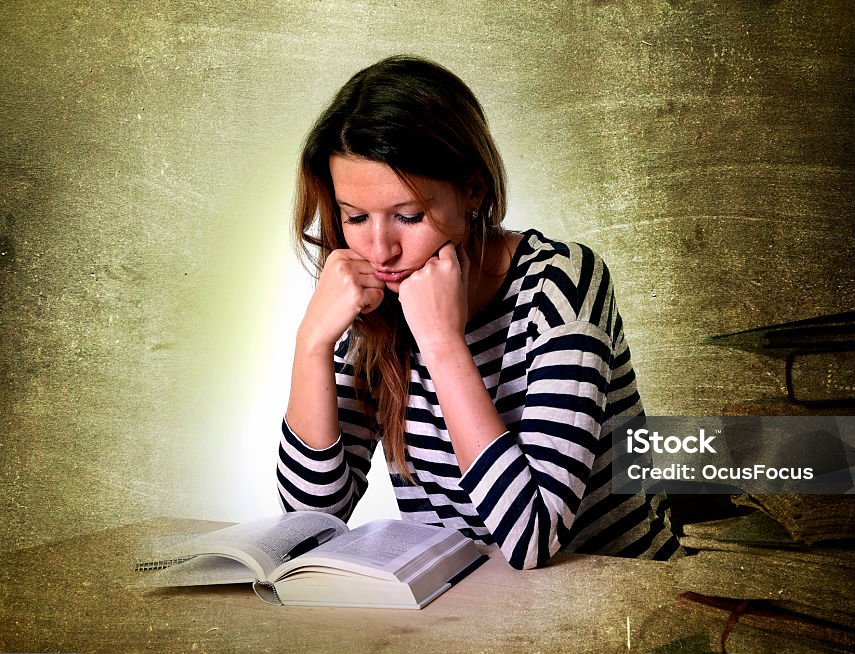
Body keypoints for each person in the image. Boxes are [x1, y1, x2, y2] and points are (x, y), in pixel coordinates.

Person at [277, 55, 678, 569]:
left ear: (472, 189)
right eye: (355, 217)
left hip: (617, 602)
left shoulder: (562, 283)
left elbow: (532, 537)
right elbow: (310, 526)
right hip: (469, 612)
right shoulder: (374, 300)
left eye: (408, 215)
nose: (381, 250)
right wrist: (310, 343)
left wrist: (442, 344)